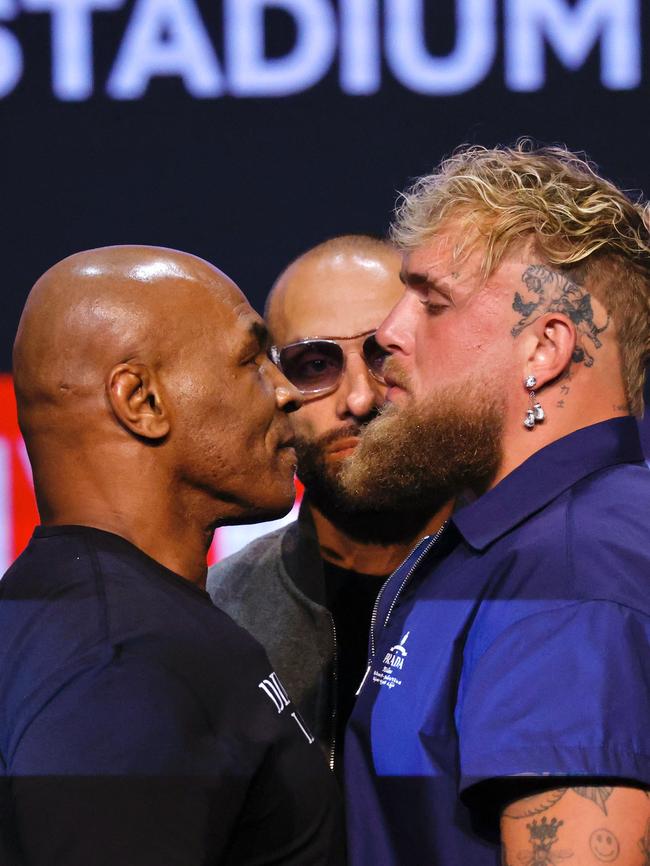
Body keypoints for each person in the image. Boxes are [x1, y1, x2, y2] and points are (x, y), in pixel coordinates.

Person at [340, 145, 650, 864]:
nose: (387, 332)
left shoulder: (570, 576)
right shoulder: (526, 545)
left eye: (432, 301)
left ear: (544, 349)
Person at [0, 246, 344, 866]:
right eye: (250, 360)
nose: (286, 391)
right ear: (143, 402)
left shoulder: (69, 619)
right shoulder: (126, 663)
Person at [208, 235, 452, 774]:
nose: (360, 400)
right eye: (314, 364)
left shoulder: (520, 591)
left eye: (384, 354)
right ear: (273, 386)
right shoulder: (218, 616)